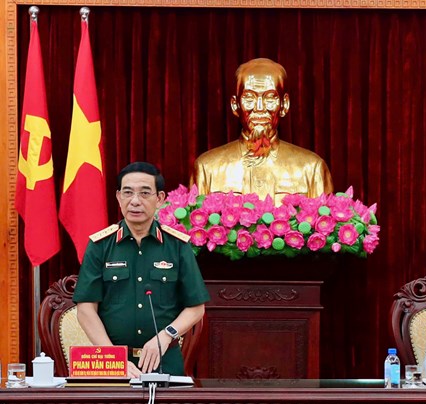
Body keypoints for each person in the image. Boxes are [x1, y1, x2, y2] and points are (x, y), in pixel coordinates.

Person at [73, 162, 210, 378]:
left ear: (160, 198)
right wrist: (113, 358)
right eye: (128, 193)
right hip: (112, 364)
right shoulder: (100, 245)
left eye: (145, 193)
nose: (135, 201)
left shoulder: (177, 245)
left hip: (164, 360)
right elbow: (85, 309)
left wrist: (166, 335)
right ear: (118, 197)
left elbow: (196, 307)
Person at [191, 58, 333, 205]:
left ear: (284, 105)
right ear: (235, 105)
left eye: (270, 98)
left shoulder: (312, 168)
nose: (259, 108)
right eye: (249, 98)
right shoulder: (207, 168)